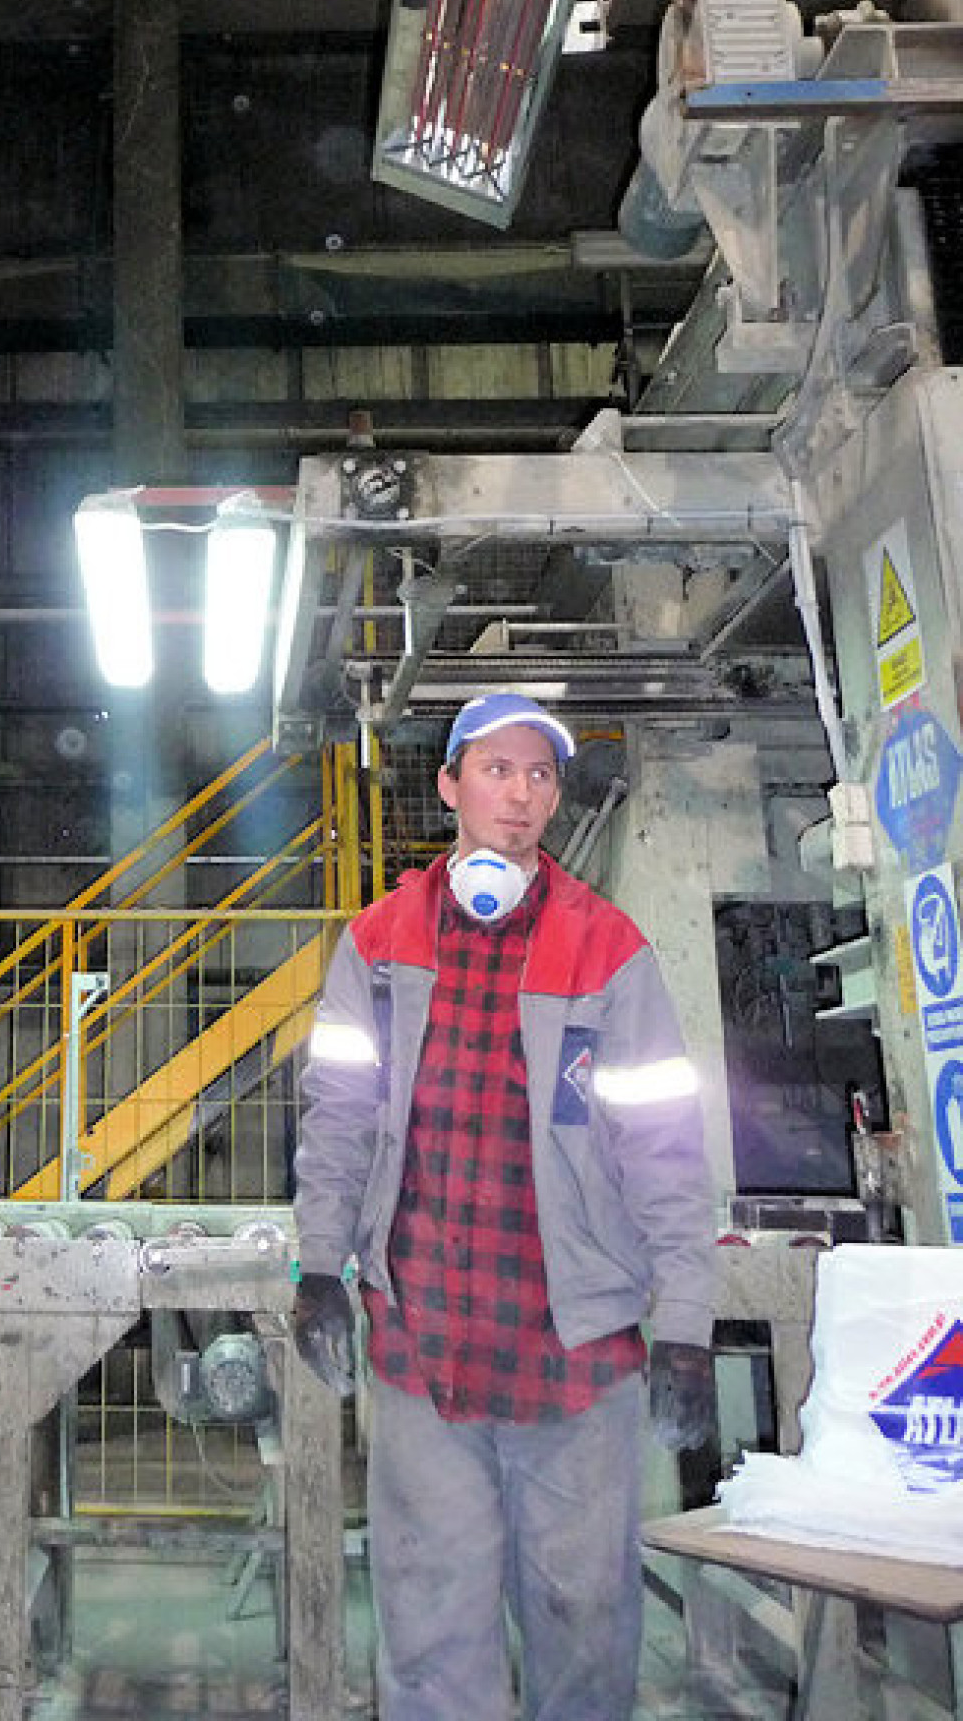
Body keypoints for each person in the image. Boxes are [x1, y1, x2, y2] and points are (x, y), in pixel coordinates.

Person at [291, 690, 717, 1721]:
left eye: (539, 775)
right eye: (496, 769)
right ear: (448, 786)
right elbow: (338, 1115)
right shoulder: (380, 942)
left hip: (572, 1354)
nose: (521, 794)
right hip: (422, 1347)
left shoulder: (607, 948)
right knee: (431, 1632)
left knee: (583, 1618)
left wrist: (690, 1327)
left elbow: (665, 1147)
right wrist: (319, 1266)